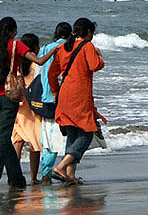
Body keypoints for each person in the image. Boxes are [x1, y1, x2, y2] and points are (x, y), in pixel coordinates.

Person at [0, 16, 60, 191]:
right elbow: (39, 61)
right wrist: (54, 50)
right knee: (2, 136)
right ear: (14, 31)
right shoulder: (17, 46)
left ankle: (16, 179)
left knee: (2, 135)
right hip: (10, 98)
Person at [48, 18, 106, 186]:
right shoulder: (87, 46)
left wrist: (54, 92)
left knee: (72, 133)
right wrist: (100, 57)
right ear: (88, 32)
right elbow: (95, 65)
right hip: (80, 95)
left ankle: (70, 175)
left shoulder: (64, 46)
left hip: (64, 94)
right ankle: (61, 167)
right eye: (92, 33)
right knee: (87, 133)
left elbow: (52, 73)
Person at [36, 22, 72, 185]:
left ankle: (46, 173)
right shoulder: (70, 47)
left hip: (45, 97)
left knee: (48, 139)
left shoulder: (45, 48)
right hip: (63, 97)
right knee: (70, 136)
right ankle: (67, 171)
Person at [11, 33, 44, 184]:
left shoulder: (16, 63)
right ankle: (33, 177)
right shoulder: (36, 64)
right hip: (32, 106)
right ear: (35, 47)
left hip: (18, 106)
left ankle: (14, 175)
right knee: (34, 143)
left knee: (18, 141)